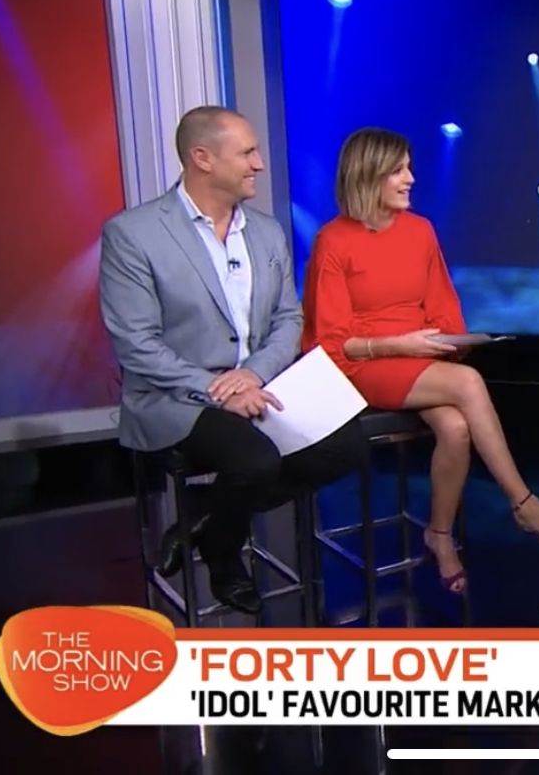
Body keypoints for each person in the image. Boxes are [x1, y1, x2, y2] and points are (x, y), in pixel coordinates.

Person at [99, 106, 369, 616]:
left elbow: (288, 318)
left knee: (347, 445)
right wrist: (216, 388)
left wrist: (253, 375)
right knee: (254, 461)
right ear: (203, 158)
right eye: (247, 153)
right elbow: (136, 343)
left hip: (258, 383)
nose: (259, 164)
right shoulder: (133, 235)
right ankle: (224, 553)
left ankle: (206, 514)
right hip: (178, 395)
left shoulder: (266, 233)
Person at [302, 127, 539, 595]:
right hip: (360, 363)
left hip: (416, 355)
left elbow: (442, 304)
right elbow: (331, 343)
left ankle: (438, 535)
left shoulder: (420, 230)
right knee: (468, 384)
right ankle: (525, 505)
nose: (410, 179)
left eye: (409, 168)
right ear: (369, 175)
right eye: (398, 171)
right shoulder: (333, 241)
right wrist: (398, 345)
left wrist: (451, 341)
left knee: (456, 427)